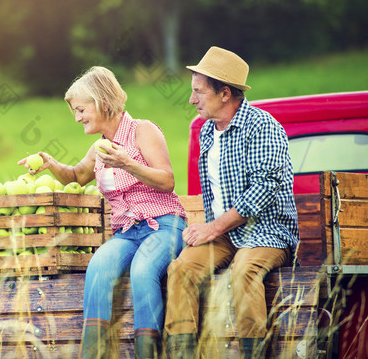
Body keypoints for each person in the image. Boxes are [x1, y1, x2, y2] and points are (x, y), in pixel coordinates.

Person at [18, 66, 187, 359]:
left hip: (164, 225)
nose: (77, 117)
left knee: (143, 270)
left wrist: (128, 164)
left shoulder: (142, 130)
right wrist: (50, 163)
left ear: (102, 102)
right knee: (98, 268)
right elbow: (77, 176)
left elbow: (167, 180)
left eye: (81, 109)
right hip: (127, 233)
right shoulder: (100, 147)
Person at [164, 47, 299, 359]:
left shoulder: (262, 126)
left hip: (266, 232)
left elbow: (264, 188)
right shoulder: (208, 133)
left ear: (224, 93)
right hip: (225, 234)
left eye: (199, 91)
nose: (191, 99)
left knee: (244, 271)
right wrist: (211, 229)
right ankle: (182, 354)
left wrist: (211, 228)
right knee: (180, 269)